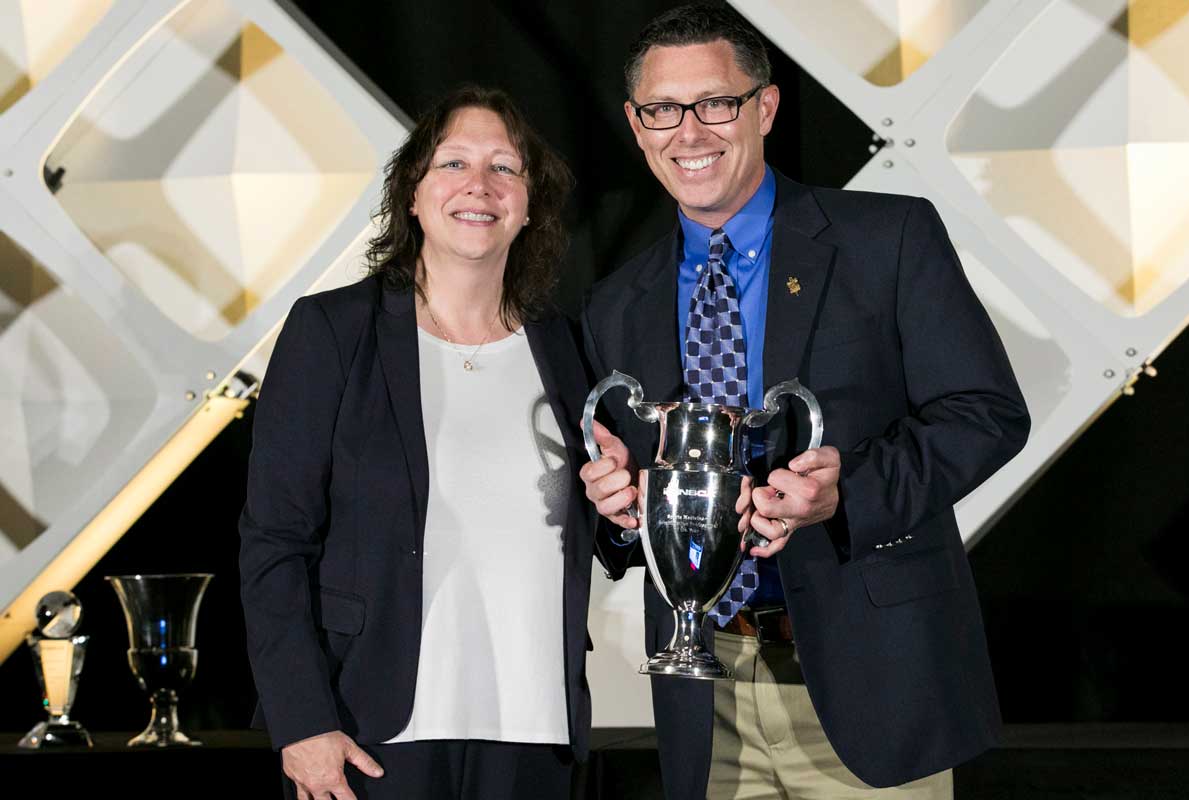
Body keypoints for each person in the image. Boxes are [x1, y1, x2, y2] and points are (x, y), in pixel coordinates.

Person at [579, 5, 1030, 799]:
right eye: (662, 110)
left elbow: (985, 412)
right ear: (636, 125)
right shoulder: (616, 304)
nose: (690, 131)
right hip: (705, 695)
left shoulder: (885, 239)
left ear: (766, 107)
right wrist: (613, 510)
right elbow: (631, 508)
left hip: (872, 680)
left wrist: (844, 496)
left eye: (716, 102)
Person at [240, 85, 593, 800]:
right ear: (412, 193)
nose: (479, 185)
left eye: (505, 167)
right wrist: (302, 722)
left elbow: (604, 523)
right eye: (453, 163)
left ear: (529, 204)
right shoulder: (333, 331)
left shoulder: (566, 347)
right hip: (368, 733)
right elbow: (274, 540)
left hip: (534, 731)